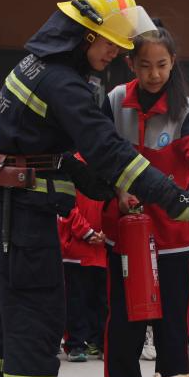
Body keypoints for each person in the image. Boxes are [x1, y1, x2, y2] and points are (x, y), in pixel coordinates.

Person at [0, 0, 189, 377]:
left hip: (7, 203)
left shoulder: (41, 64)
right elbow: (106, 149)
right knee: (36, 307)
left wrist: (97, 185)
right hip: (19, 208)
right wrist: (168, 195)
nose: (116, 54)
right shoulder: (63, 82)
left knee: (6, 306)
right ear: (86, 34)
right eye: (113, 44)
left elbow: (49, 153)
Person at [101, 23, 189, 377]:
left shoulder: (187, 111)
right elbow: (94, 152)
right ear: (130, 63)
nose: (154, 74)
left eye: (162, 65)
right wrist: (117, 191)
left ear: (173, 64)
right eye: (145, 65)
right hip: (126, 235)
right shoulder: (114, 101)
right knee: (123, 326)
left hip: (174, 240)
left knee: (172, 330)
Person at [58, 154, 107, 363]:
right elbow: (68, 206)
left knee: (101, 299)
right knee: (75, 300)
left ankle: (98, 341)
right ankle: (75, 344)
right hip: (75, 249)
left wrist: (105, 232)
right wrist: (86, 232)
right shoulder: (71, 163)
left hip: (102, 248)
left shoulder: (107, 162)